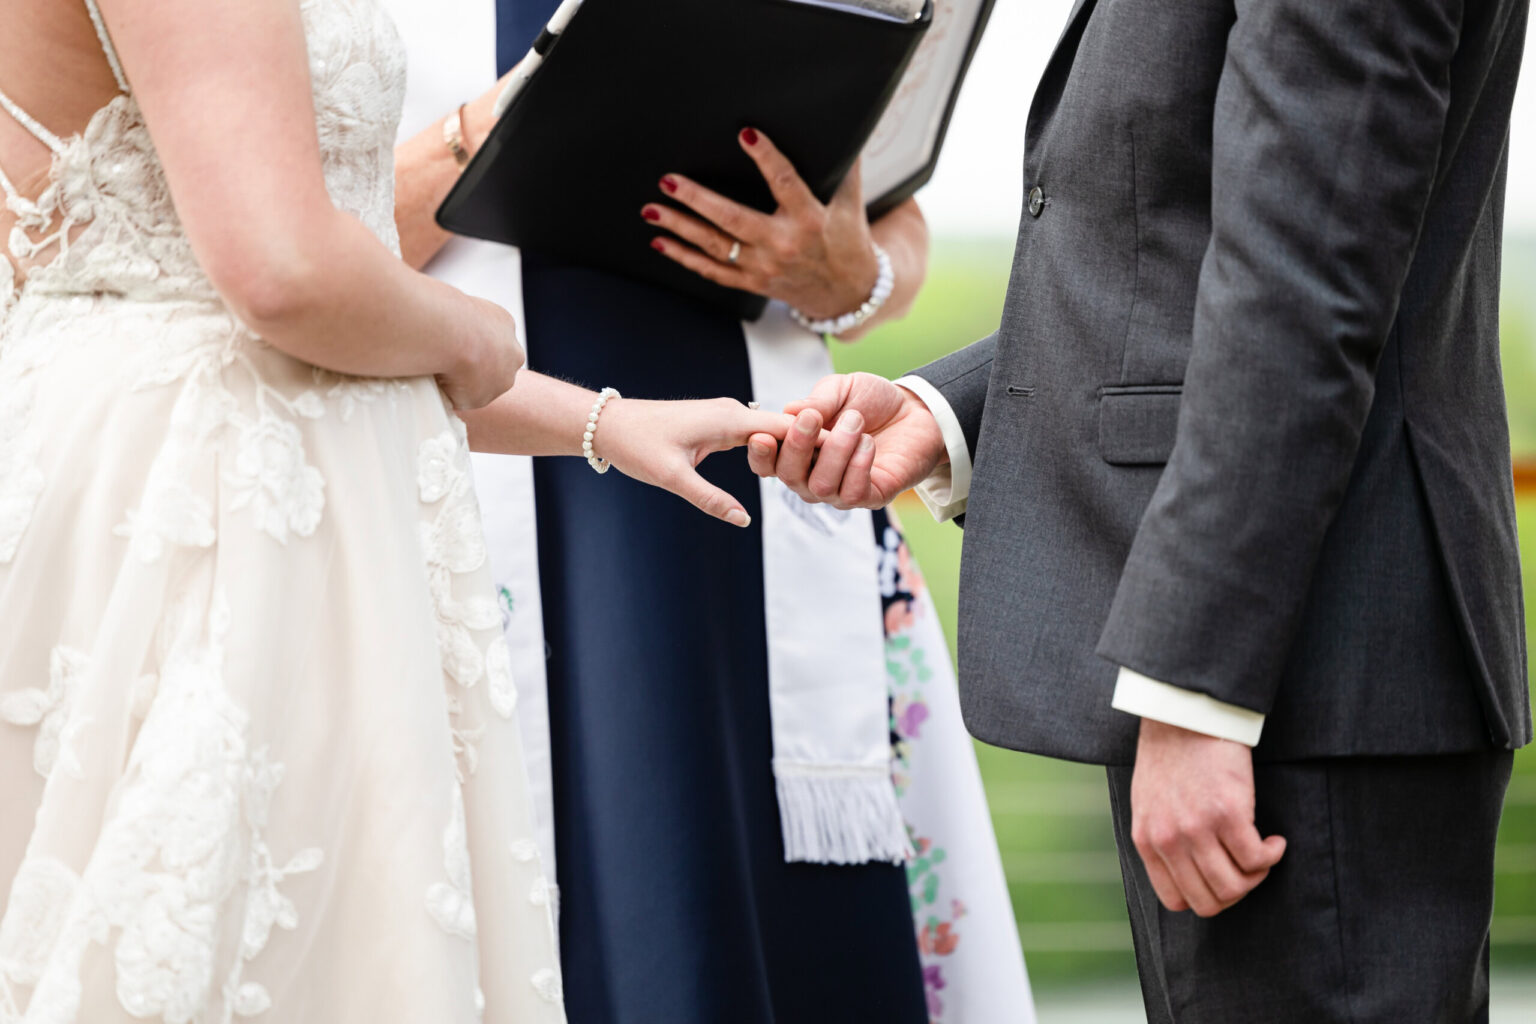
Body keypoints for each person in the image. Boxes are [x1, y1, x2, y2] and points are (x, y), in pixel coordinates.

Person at [0, 1, 792, 1020]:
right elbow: (282, 279)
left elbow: (229, 314)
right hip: (209, 532)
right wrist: (473, 333)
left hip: (192, 473)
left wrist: (603, 422)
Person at [756, 0, 1532, 1021]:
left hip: (1300, 672)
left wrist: (1197, 691)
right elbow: (1199, 251)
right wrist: (948, 412)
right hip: (1281, 656)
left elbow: (1304, 279)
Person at [387, 1, 1033, 1021]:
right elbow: (271, 237)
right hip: (481, 463)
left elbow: (890, 209)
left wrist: (847, 274)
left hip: (759, 478)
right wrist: (526, 115)